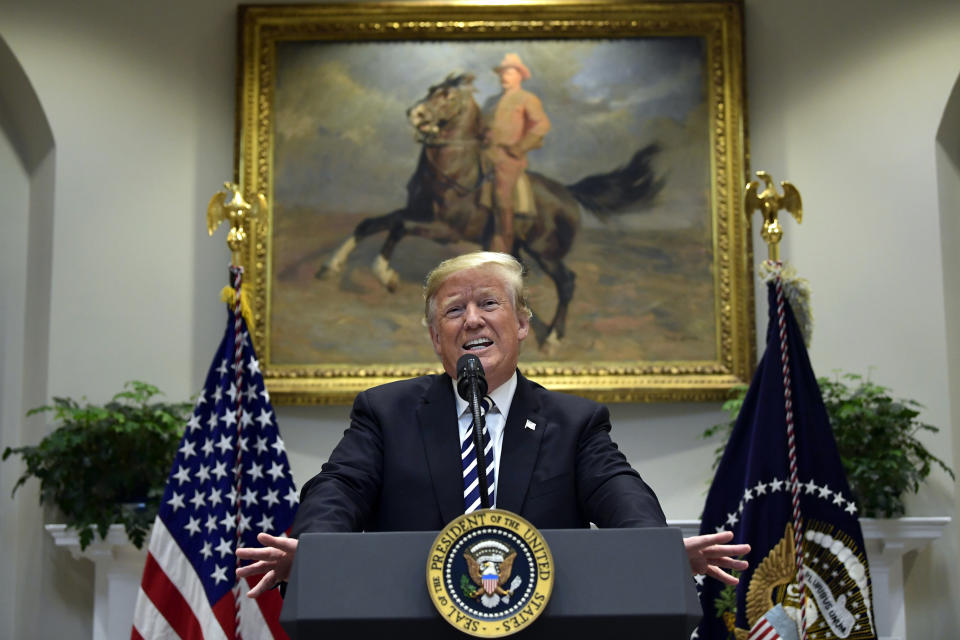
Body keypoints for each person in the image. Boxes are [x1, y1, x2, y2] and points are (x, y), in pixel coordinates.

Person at [237, 252, 749, 597]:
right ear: (437, 338)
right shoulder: (385, 413)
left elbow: (622, 495)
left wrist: (652, 548)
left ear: (522, 323)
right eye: (454, 310)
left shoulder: (574, 423)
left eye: (489, 303)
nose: (473, 320)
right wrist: (315, 548)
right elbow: (339, 488)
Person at [482, 53, 551, 254]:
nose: (504, 77)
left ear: (520, 76)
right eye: (502, 73)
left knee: (502, 197)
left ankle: (504, 247)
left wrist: (520, 147)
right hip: (485, 154)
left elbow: (542, 125)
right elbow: (482, 127)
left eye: (509, 73)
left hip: (508, 157)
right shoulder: (490, 101)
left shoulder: (527, 99)